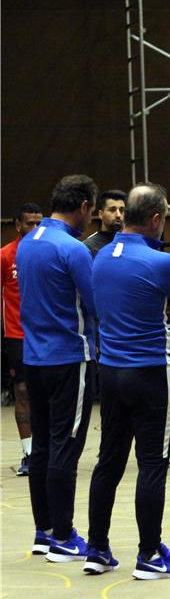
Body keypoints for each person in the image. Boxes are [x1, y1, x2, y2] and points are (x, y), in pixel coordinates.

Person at [87, 183, 170, 578]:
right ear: (155, 220)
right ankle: (149, 554)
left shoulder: (100, 257)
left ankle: (97, 548)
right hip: (151, 371)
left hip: (110, 371)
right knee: (153, 463)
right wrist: (166, 303)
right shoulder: (161, 262)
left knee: (109, 460)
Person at [16, 175, 97, 561]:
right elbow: (95, 304)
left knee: (44, 446)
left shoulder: (27, 243)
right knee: (66, 446)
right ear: (83, 207)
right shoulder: (74, 249)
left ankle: (44, 530)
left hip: (34, 358)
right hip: (69, 358)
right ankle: (64, 536)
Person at [1, 202, 43, 476]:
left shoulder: (50, 252)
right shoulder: (6, 256)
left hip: (48, 336)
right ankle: (29, 453)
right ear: (18, 225)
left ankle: (46, 449)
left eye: (40, 223)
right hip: (18, 336)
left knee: (48, 395)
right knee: (24, 392)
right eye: (30, 223)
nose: (35, 228)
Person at [83, 189, 127, 258]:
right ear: (100, 214)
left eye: (121, 210)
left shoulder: (130, 241)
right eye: (112, 210)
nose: (118, 215)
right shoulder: (89, 246)